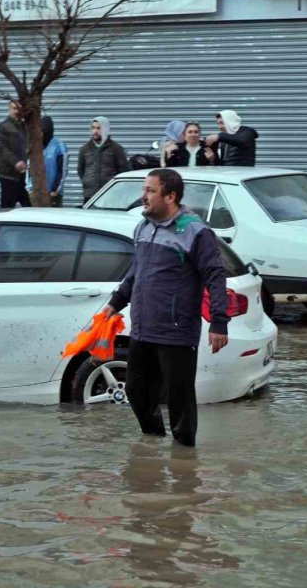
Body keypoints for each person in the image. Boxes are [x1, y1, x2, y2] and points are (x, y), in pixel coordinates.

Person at [101, 168, 229, 447]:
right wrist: (116, 301)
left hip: (176, 330)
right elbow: (136, 271)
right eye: (144, 190)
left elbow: (215, 276)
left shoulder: (195, 231)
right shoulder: (143, 227)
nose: (143, 196)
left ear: (170, 196)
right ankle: (153, 443)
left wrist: (219, 321)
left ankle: (184, 459)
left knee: (178, 399)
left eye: (150, 191)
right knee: (136, 390)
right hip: (143, 327)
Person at [78, 116, 131, 204]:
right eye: (93, 128)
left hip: (110, 196)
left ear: (105, 129)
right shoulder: (85, 149)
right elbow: (81, 170)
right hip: (90, 195)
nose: (95, 131)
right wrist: (87, 182)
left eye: (98, 128)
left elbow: (123, 171)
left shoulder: (116, 149)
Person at [25, 115, 68, 207]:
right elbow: (29, 168)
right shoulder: (36, 145)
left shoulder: (59, 146)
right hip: (36, 194)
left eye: (42, 131)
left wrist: (55, 190)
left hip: (53, 195)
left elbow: (62, 171)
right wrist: (29, 188)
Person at [0, 100, 29, 208]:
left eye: (18, 109)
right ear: (9, 109)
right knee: (6, 209)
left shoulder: (24, 127)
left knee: (30, 208)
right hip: (9, 176)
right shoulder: (3, 127)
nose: (16, 111)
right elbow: (1, 147)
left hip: (22, 177)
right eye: (14, 108)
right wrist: (16, 162)